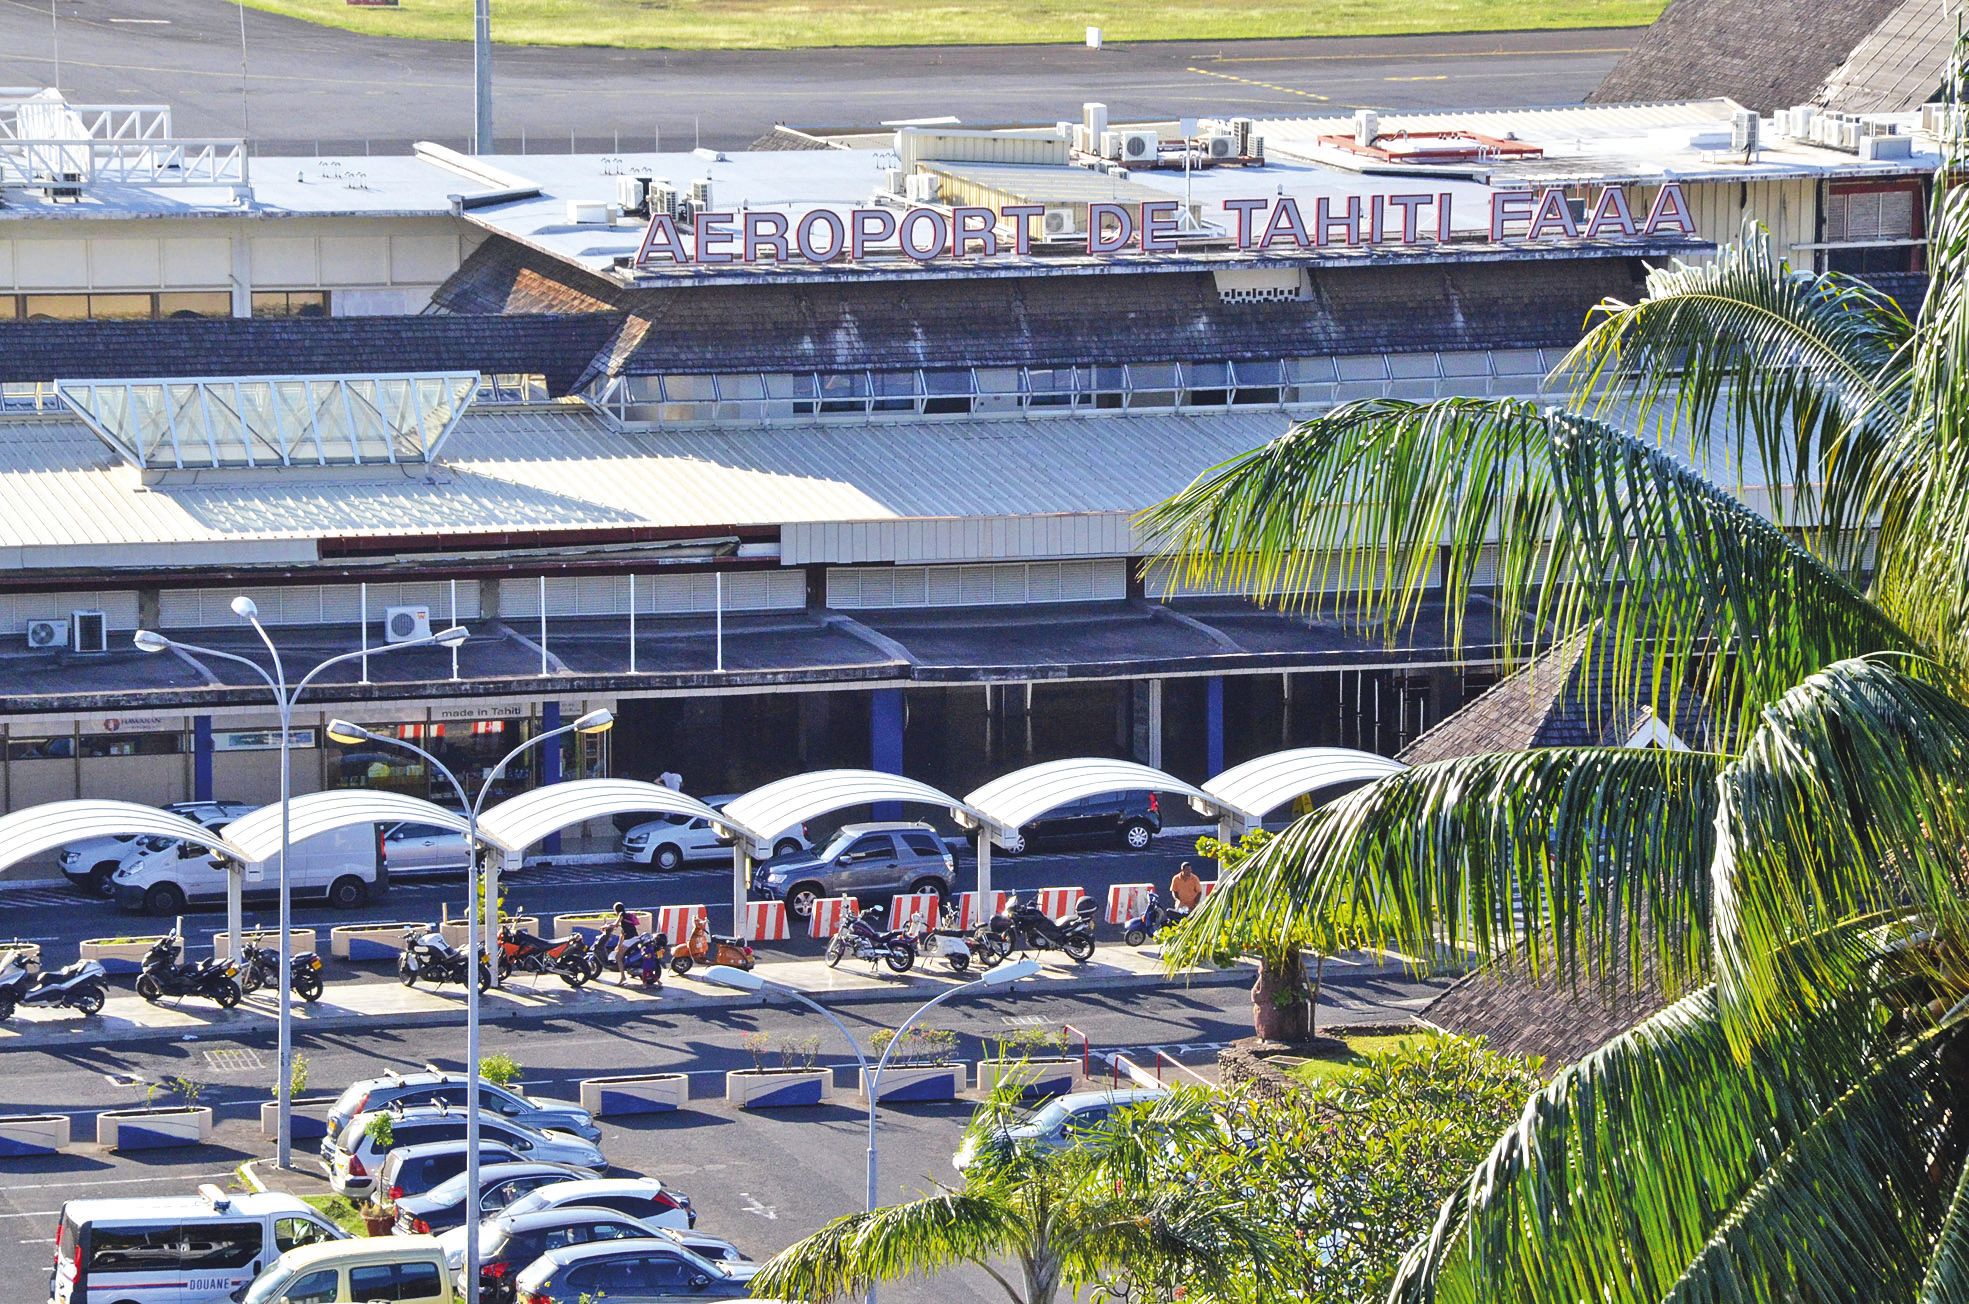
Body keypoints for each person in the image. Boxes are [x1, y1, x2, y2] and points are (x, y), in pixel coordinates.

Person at [611, 900, 641, 983]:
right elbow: (622, 934)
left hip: (630, 939)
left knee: (618, 957)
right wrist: (618, 945)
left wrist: (606, 926)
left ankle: (623, 977)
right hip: (634, 937)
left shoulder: (621, 914)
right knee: (623, 953)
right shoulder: (626, 916)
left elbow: (615, 924)